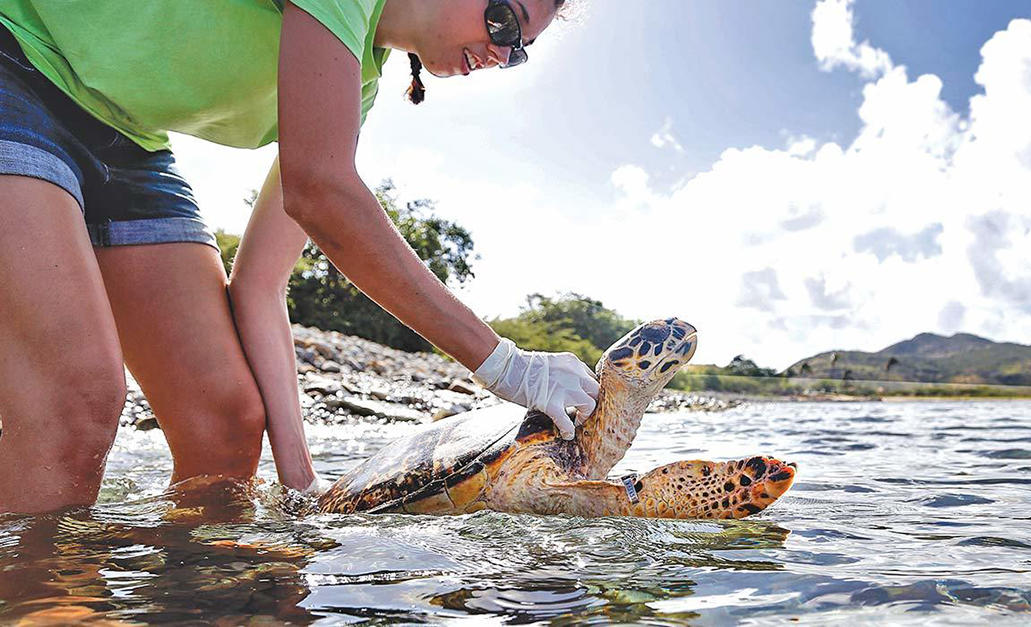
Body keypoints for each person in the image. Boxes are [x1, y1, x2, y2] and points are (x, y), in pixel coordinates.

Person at [0, 0, 599, 514]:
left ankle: (196, 598)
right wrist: (505, 364)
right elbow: (320, 192)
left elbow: (260, 283)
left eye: (519, 50)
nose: (504, 51)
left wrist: (301, 481)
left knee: (228, 424)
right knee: (77, 401)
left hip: (130, 145)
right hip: (17, 64)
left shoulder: (360, 82)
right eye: (504, 20)